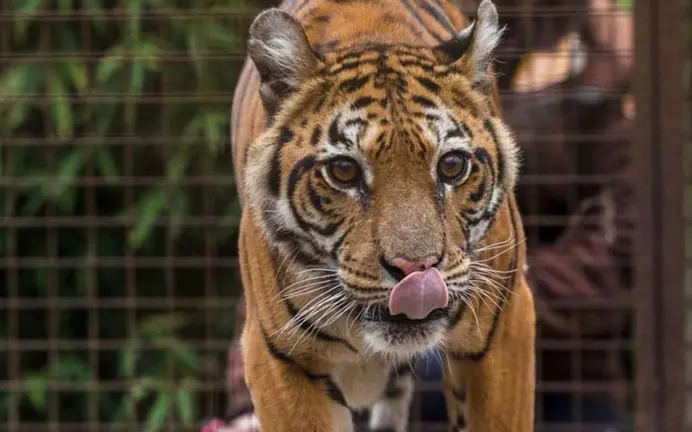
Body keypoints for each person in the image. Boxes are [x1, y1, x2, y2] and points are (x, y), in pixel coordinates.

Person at [203, 0, 636, 430]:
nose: (414, 255)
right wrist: (249, 401)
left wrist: (494, 284)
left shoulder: (601, 68)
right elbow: (274, 276)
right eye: (343, 170)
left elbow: (628, 252)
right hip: (394, 322)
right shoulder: (304, 117)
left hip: (572, 379)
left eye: (453, 167)